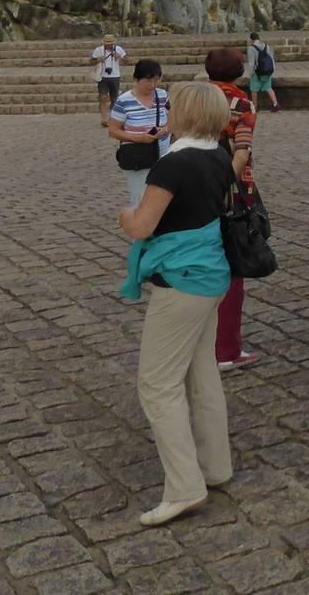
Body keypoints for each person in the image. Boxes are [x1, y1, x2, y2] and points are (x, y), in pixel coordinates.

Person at [117, 82, 234, 527]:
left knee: (157, 384)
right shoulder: (219, 156)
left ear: (181, 114)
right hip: (211, 275)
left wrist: (125, 216)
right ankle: (216, 466)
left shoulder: (174, 165)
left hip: (182, 281)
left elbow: (142, 226)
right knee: (201, 373)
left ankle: (184, 486)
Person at [203, 48, 262, 373]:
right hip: (232, 191)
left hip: (189, 185)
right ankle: (226, 349)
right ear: (239, 72)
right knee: (232, 268)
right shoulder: (241, 103)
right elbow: (243, 148)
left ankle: (198, 344)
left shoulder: (189, 98)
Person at [110, 60, 170, 209]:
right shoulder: (124, 101)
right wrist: (138, 138)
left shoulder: (163, 96)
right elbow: (114, 130)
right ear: (137, 79)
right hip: (138, 154)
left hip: (163, 152)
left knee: (163, 193)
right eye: (148, 80)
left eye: (156, 80)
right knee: (141, 195)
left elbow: (173, 119)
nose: (152, 85)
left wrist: (167, 129)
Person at [92, 33, 128, 126]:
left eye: (110, 43)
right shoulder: (98, 50)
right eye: (107, 43)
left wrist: (119, 56)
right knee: (102, 97)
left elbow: (127, 60)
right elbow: (91, 60)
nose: (109, 45)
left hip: (115, 76)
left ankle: (112, 118)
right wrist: (99, 59)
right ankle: (104, 118)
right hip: (102, 76)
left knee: (114, 98)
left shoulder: (119, 49)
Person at [246, 31, 280, 113]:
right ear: (258, 38)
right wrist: (272, 70)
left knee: (254, 89)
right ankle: (275, 104)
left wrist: (250, 73)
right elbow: (271, 58)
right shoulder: (266, 46)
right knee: (268, 87)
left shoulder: (251, 48)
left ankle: (255, 106)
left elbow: (251, 63)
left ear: (251, 39)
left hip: (257, 72)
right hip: (267, 71)